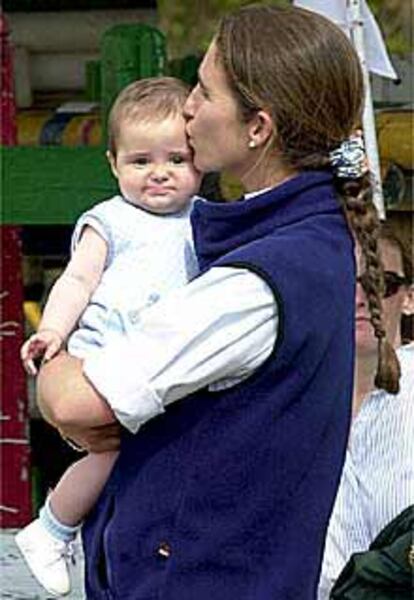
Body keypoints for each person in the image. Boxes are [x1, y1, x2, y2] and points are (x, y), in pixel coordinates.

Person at [36, 5, 402, 598]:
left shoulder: (258, 281)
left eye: (205, 92)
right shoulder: (310, 241)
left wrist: (56, 359)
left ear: (257, 127)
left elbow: (78, 403)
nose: (187, 108)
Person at [15, 77, 201, 597]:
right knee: (109, 452)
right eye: (141, 161)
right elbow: (77, 280)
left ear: (199, 163)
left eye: (176, 160)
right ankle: (52, 528)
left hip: (170, 365)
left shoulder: (205, 222)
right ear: (113, 164)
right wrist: (53, 330)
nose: (159, 173)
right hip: (110, 354)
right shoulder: (111, 220)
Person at [318, 224, 414, 599]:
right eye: (342, 281)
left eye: (377, 283)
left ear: (408, 298)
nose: (358, 297)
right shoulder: (286, 401)